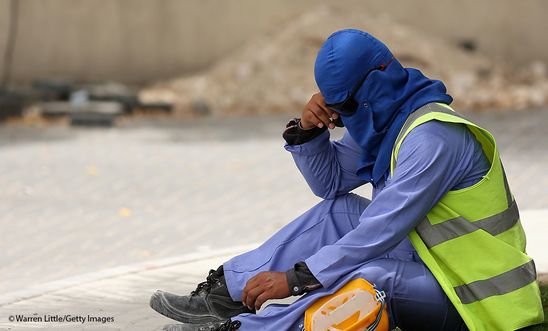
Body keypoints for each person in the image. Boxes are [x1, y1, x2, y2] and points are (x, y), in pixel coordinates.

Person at [150, 29, 544, 331]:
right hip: (436, 267)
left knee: (370, 279)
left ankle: (247, 328)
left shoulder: (433, 138)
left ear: (372, 88)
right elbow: (332, 182)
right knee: (337, 212)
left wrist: (295, 279)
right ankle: (230, 293)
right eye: (334, 108)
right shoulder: (387, 120)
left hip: (479, 300)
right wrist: (309, 131)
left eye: (345, 107)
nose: (343, 117)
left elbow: (380, 229)